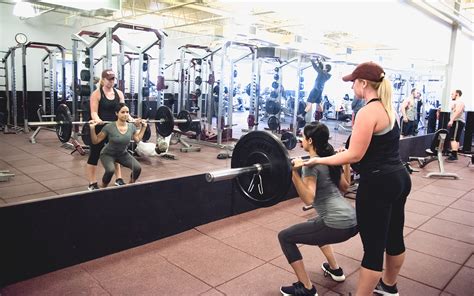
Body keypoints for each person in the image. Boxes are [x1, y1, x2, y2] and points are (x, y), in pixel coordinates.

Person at [303, 62, 412, 296]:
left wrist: (318, 160)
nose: (352, 86)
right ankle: (389, 287)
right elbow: (376, 147)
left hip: (378, 184)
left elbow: (355, 155)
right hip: (399, 178)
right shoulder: (388, 109)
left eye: (354, 82)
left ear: (364, 83)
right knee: (394, 236)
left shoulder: (367, 111)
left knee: (373, 247)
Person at [278, 122, 358, 296]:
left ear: (311, 140)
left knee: (285, 237)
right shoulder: (330, 159)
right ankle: (335, 270)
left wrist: (293, 172)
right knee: (313, 224)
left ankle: (306, 287)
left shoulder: (312, 166)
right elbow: (346, 186)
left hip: (336, 224)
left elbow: (308, 198)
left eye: (303, 136)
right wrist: (344, 161)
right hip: (353, 220)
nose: (300, 139)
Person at [86, 69, 137, 191]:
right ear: (103, 80)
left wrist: (131, 119)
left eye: (113, 79)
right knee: (94, 154)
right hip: (100, 127)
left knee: (116, 152)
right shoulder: (97, 94)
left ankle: (118, 179)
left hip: (115, 127)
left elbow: (123, 109)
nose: (112, 81)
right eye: (109, 79)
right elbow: (93, 112)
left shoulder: (119, 93)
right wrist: (98, 120)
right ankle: (92, 182)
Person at [89, 103, 146, 187]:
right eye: (122, 112)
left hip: (122, 154)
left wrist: (143, 127)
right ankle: (103, 188)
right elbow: (95, 141)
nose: (125, 114)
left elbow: (137, 139)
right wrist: (92, 128)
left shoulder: (131, 126)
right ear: (116, 113)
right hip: (108, 154)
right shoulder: (109, 127)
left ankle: (130, 186)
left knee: (137, 168)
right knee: (110, 171)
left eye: (127, 112)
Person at [298, 58, 332, 125]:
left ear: (326, 69)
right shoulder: (327, 75)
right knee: (319, 103)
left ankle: (302, 115)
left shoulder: (321, 72)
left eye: (325, 67)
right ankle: (321, 115)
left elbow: (315, 67)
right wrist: (319, 61)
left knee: (309, 103)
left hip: (315, 90)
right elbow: (321, 67)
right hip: (320, 91)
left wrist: (312, 60)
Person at [446, 89, 465, 161]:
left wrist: (451, 120)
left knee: (453, 138)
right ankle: (454, 154)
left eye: (452, 94)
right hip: (457, 121)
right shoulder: (457, 102)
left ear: (457, 94)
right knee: (456, 139)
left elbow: (458, 111)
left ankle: (454, 156)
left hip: (457, 121)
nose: (451, 95)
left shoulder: (459, 102)